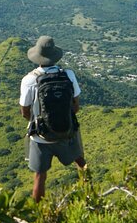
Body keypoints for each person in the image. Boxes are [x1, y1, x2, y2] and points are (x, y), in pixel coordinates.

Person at [19, 36, 87, 202]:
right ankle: (89, 196)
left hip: (41, 137)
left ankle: (39, 214)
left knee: (40, 176)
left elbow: (24, 111)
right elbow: (75, 106)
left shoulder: (29, 80)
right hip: (67, 132)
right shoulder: (68, 75)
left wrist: (39, 123)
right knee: (81, 163)